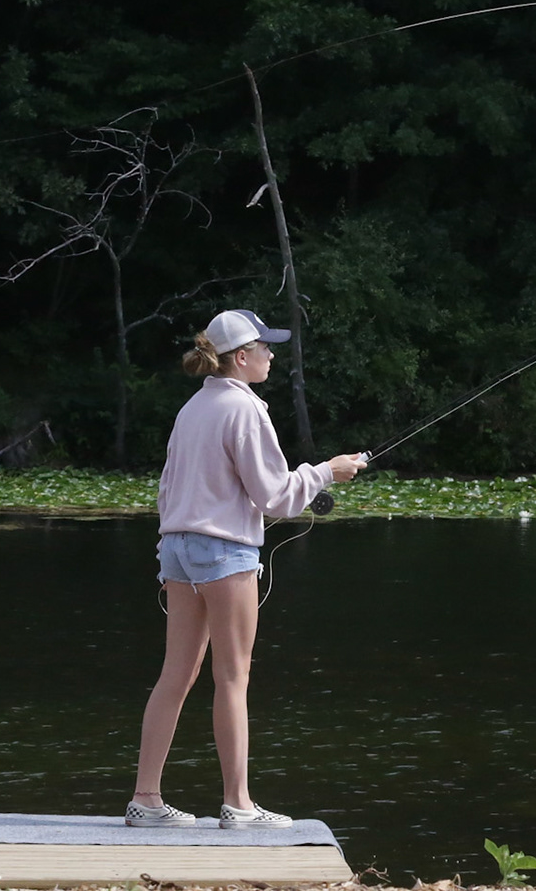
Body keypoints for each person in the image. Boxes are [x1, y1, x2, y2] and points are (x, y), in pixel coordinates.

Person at [127, 309, 368, 829]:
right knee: (233, 677)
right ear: (241, 357)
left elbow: (169, 489)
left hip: (175, 548)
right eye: (265, 348)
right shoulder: (245, 410)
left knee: (176, 674)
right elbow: (276, 497)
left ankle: (145, 799)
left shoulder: (192, 408)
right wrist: (328, 472)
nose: (272, 355)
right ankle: (238, 806)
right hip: (223, 553)